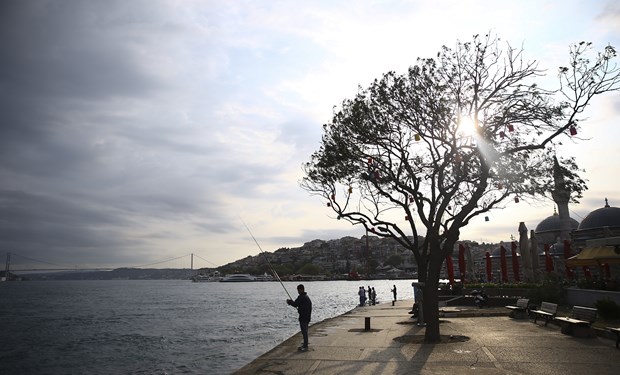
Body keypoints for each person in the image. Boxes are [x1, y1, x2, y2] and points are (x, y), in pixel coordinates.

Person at [287, 284, 312, 351]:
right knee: (305, 331)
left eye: (298, 290)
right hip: (307, 317)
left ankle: (305, 346)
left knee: (304, 332)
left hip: (304, 317)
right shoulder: (306, 297)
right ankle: (305, 345)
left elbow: (295, 304)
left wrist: (289, 302)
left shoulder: (302, 297)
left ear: (301, 289)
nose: (298, 291)